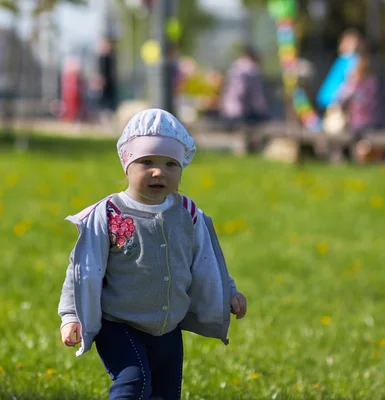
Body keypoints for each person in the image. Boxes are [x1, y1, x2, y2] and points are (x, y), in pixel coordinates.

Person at [58, 108, 247, 400]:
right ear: (127, 164)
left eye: (171, 164)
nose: (159, 172)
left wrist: (229, 293)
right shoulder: (108, 214)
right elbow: (82, 268)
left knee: (166, 393)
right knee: (134, 384)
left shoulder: (188, 213)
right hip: (119, 323)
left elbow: (208, 261)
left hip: (167, 326)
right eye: (147, 162)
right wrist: (72, 315)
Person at [219, 46, 269, 131]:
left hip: (227, 111)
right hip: (240, 114)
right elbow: (256, 96)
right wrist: (262, 111)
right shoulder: (251, 69)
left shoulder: (234, 67)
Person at [316, 29, 362, 111]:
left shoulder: (349, 59)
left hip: (340, 92)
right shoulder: (345, 59)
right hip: (336, 92)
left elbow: (351, 76)